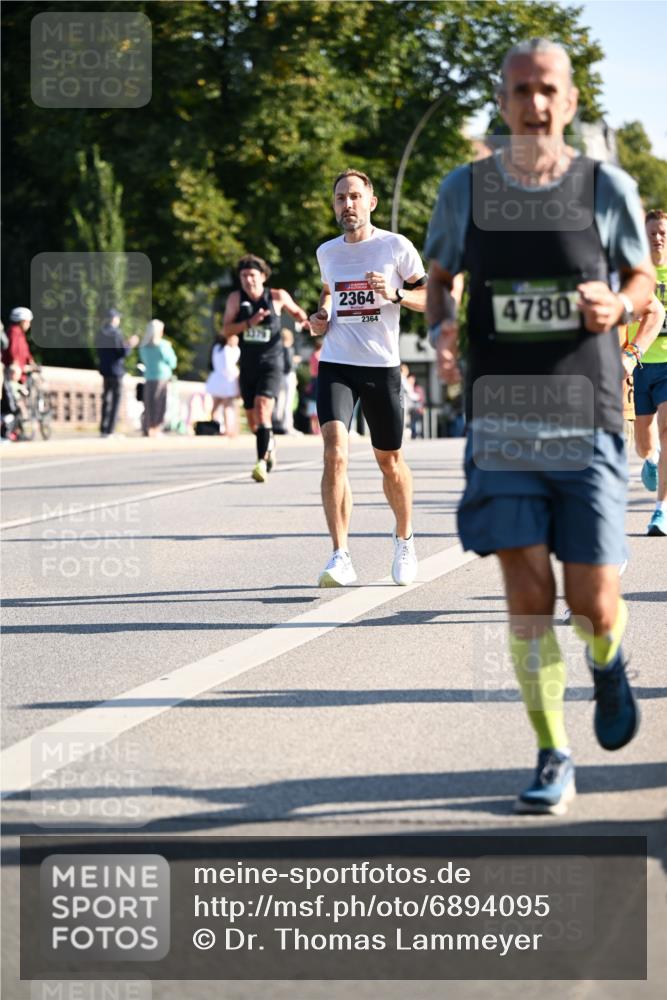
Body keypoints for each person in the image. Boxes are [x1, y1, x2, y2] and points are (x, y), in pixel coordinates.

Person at [425, 38, 655, 815]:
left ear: (570, 98)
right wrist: (442, 329)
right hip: (498, 418)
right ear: (503, 100)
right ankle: (552, 752)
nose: (535, 104)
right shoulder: (464, 189)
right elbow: (438, 279)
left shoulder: (604, 185)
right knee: (526, 597)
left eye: (548, 89)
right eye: (521, 90)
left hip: (584, 415)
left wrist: (618, 306)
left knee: (591, 603)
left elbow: (640, 275)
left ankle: (608, 658)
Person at [309, 169, 427, 587]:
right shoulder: (328, 252)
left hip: (382, 367)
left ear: (371, 202)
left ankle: (404, 537)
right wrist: (322, 315)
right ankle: (340, 555)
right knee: (334, 451)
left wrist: (394, 294)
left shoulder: (396, 246)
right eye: (340, 197)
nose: (348, 205)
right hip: (337, 362)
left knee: (390, 463)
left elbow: (428, 297)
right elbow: (329, 291)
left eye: (355, 196)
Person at [222, 255, 309, 481]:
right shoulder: (234, 299)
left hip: (272, 364)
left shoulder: (277, 296)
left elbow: (297, 312)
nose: (248, 280)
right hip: (248, 365)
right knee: (253, 422)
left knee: (263, 409)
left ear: (262, 276)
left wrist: (308, 323)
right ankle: (269, 443)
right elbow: (226, 331)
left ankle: (261, 463)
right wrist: (250, 322)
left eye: (252, 275)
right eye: (243, 276)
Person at [625, 209, 667, 535]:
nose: (658, 237)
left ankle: (660, 510)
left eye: (662, 231)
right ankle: (651, 461)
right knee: (644, 443)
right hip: (639, 365)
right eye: (652, 232)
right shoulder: (636, 273)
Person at [96, 309, 139, 437]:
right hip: (116, 371)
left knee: (106, 400)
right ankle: (110, 430)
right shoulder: (116, 333)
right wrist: (130, 344)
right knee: (115, 400)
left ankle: (103, 429)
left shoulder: (100, 333)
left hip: (105, 370)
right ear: (114, 319)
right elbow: (122, 352)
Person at [139, 319, 178, 436]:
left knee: (148, 404)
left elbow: (144, 360)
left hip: (149, 376)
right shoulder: (163, 345)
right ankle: (155, 428)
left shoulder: (144, 346)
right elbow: (172, 362)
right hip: (162, 377)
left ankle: (148, 427)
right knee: (159, 403)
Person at [206, 332, 241, 437]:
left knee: (216, 406)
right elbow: (229, 367)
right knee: (228, 405)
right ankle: (228, 429)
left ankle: (214, 426)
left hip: (216, 381)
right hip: (226, 382)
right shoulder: (230, 350)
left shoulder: (217, 348)